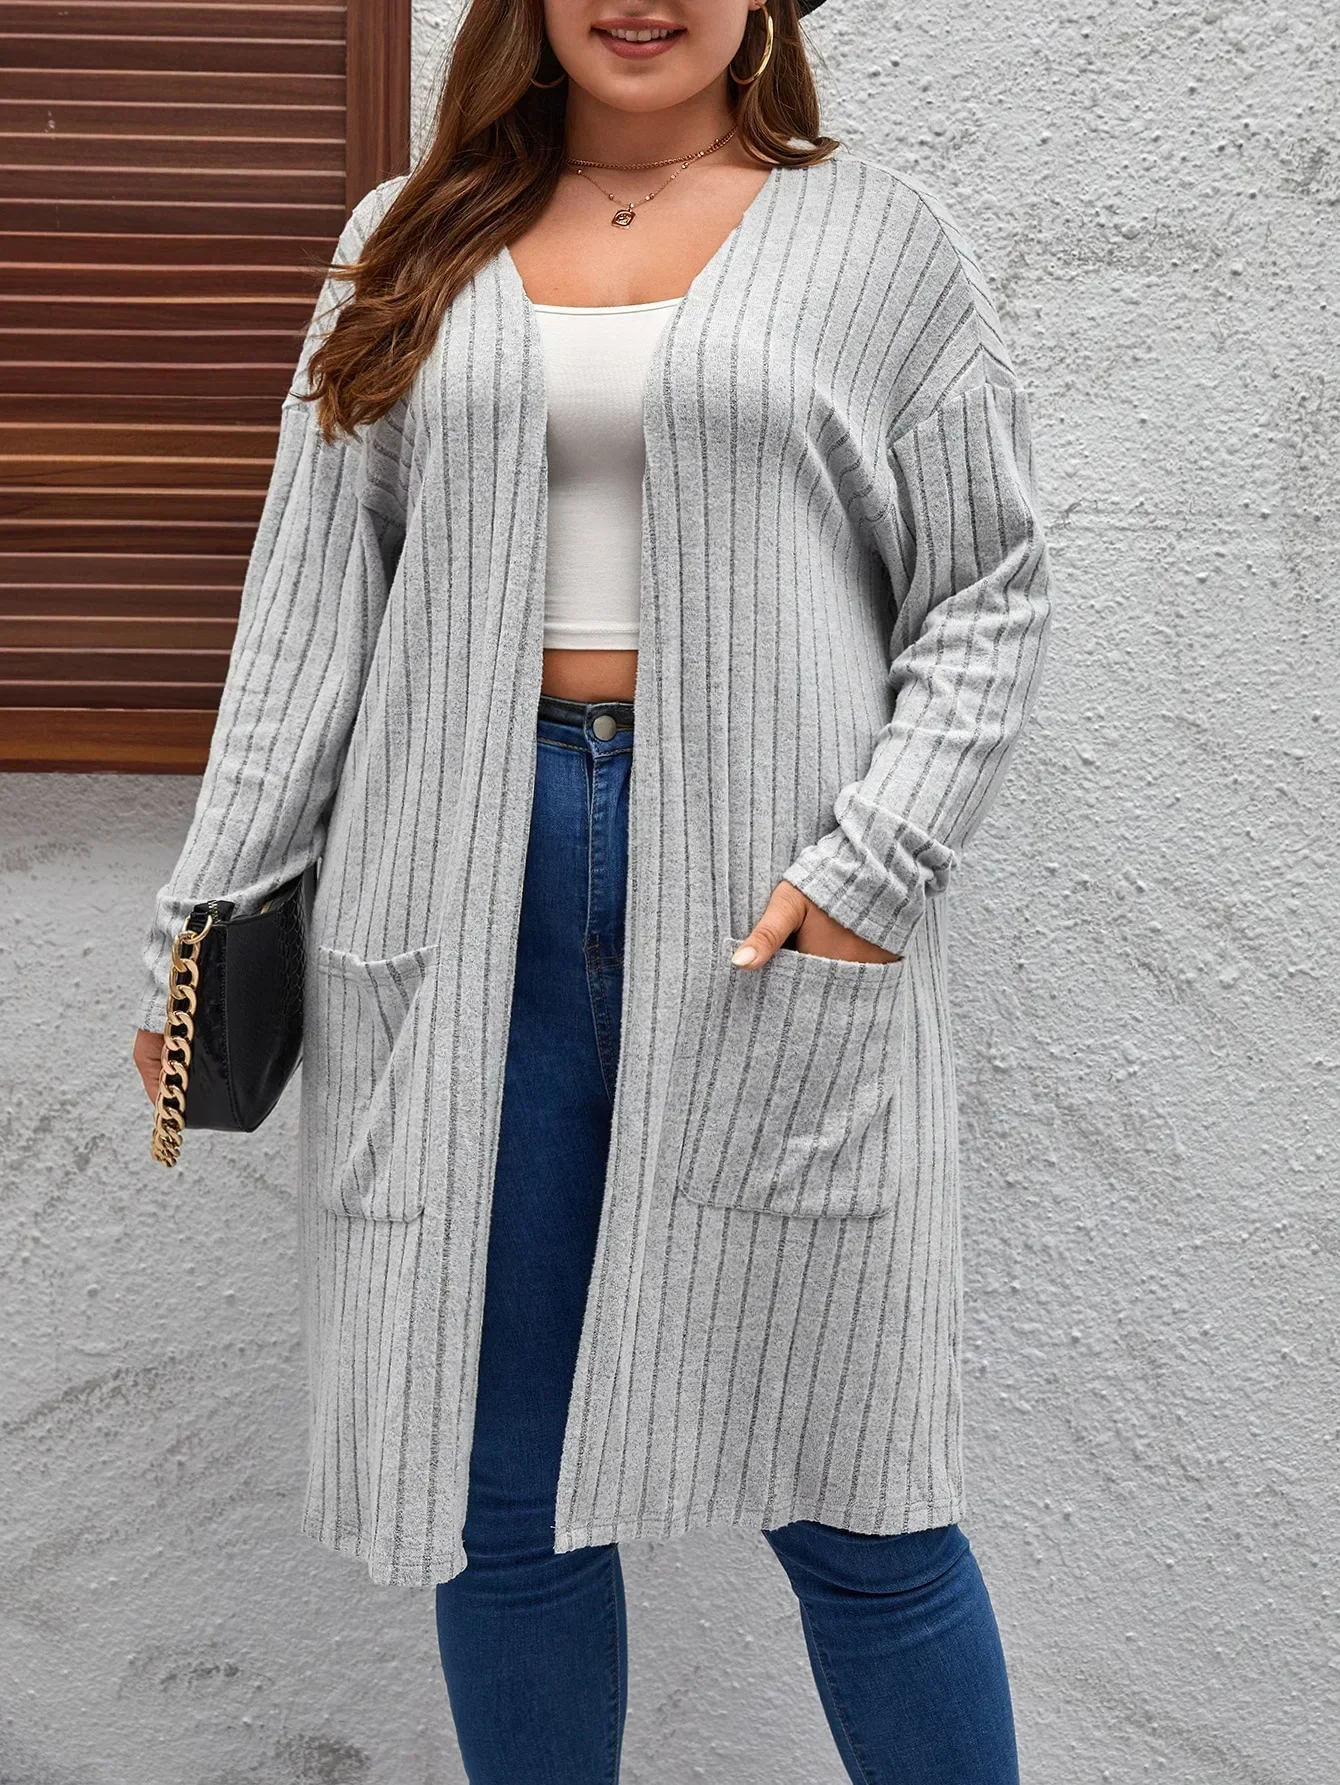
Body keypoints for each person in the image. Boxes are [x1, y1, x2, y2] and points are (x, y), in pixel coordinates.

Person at [134, 2, 1052, 1779]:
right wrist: (207, 924)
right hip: (456, 895)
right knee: (502, 1495)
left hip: (772, 912)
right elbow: (309, 602)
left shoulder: (878, 241)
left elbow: (991, 583)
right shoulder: (409, 235)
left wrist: (874, 871)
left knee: (859, 1497)